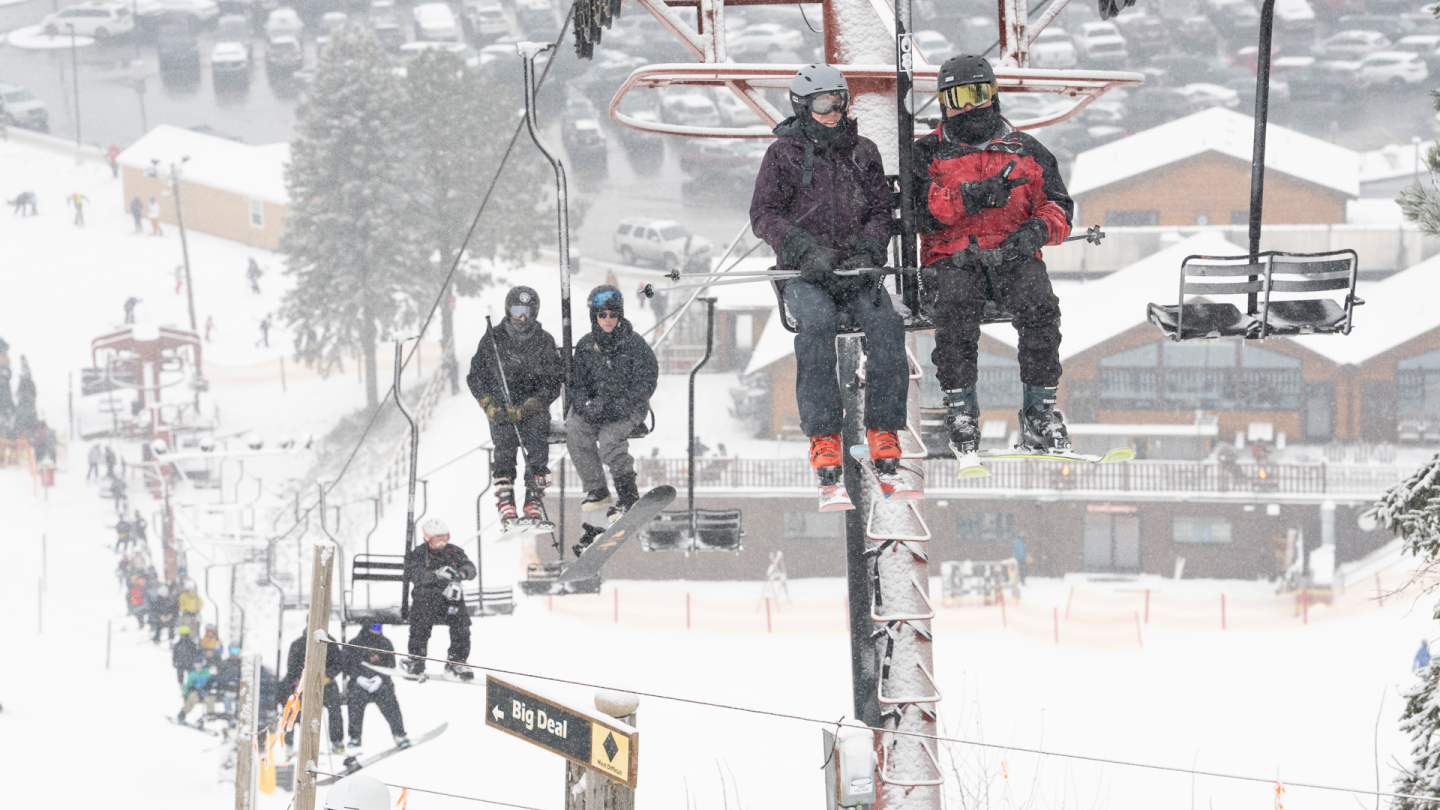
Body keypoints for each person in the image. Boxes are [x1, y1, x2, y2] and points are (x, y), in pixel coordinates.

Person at [749, 64, 907, 491]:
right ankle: (824, 436)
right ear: (803, 107)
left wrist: (871, 250)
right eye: (823, 103)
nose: (834, 111)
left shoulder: (863, 152)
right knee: (816, 327)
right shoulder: (783, 155)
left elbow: (879, 212)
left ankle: (883, 428)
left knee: (887, 325)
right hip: (807, 273)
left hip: (856, 270)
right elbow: (763, 215)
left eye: (840, 101)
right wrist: (803, 249)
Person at [911, 54, 1074, 456]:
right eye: (956, 99)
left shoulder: (1026, 150)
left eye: (976, 95)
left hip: (1012, 253)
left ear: (993, 95)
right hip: (953, 256)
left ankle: (1040, 410)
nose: (967, 108)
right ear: (943, 105)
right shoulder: (928, 153)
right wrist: (971, 197)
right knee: (954, 307)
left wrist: (1035, 230)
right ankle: (960, 408)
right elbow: (920, 212)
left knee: (1039, 306)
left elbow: (1058, 206)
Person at [466, 286, 563, 528]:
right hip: (502, 404)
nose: (522, 318)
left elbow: (553, 379)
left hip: (532, 406)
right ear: (509, 310)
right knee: (505, 441)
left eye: (528, 312)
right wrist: (488, 403)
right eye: (518, 312)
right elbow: (476, 375)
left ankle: (533, 497)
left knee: (537, 438)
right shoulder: (493, 339)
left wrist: (535, 402)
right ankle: (505, 499)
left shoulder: (544, 341)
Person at [566, 285, 658, 533]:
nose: (608, 320)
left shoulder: (633, 344)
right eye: (602, 315)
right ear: (594, 316)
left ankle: (628, 495)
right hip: (598, 407)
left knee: (609, 438)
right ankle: (596, 488)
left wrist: (619, 405)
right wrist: (587, 406)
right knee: (575, 429)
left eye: (613, 315)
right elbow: (578, 383)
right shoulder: (586, 346)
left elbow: (646, 381)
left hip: (628, 407)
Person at [402, 518, 477, 681]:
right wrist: (435, 575)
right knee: (420, 622)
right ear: (427, 538)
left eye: (445, 537)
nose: (442, 542)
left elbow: (470, 567)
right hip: (426, 598)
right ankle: (416, 660)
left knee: (462, 623)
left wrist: (461, 574)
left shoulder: (454, 552)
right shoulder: (420, 554)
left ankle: (457, 661)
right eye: (437, 538)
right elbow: (415, 574)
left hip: (450, 600)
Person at [343, 624, 409, 750]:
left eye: (380, 627)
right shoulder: (354, 644)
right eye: (375, 627)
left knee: (389, 700)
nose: (379, 630)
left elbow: (390, 664)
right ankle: (355, 736)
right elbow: (347, 666)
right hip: (360, 682)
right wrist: (359, 678)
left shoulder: (385, 643)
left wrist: (380, 678)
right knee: (355, 700)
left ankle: (399, 734)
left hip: (380, 681)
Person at [279, 633, 348, 753]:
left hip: (326, 684)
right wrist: (305, 677)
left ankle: (337, 742)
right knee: (294, 707)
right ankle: (291, 744)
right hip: (302, 683)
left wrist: (327, 676)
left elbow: (338, 664)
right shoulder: (298, 644)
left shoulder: (330, 643)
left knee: (334, 707)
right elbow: (292, 668)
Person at [178, 658, 218, 725]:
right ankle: (183, 713)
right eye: (196, 666)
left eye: (199, 666)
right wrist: (185, 693)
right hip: (196, 692)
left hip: (205, 692)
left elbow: (213, 683)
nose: (198, 668)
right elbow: (186, 685)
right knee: (192, 698)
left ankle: (209, 716)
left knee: (210, 698)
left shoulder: (207, 673)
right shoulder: (193, 674)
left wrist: (211, 683)